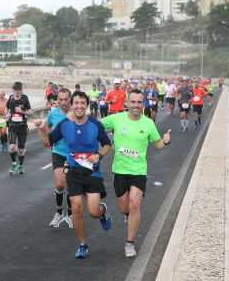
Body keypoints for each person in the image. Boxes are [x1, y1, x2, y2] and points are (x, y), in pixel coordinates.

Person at [37, 91, 112, 259]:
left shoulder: (95, 124)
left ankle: (102, 211)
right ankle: (83, 245)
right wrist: (42, 130)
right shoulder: (64, 125)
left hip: (92, 172)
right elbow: (47, 142)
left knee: (93, 211)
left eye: (82, 103)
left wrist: (99, 155)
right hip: (73, 172)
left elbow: (107, 144)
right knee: (76, 208)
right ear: (72, 105)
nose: (79, 106)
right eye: (76, 103)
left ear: (86, 105)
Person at [102, 89, 171, 258]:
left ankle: (130, 243)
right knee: (124, 206)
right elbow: (94, 126)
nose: (136, 105)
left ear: (143, 104)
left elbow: (158, 145)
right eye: (133, 102)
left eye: (139, 102)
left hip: (138, 171)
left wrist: (166, 141)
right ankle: (126, 215)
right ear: (127, 103)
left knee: (134, 204)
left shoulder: (148, 123)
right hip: (120, 170)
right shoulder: (116, 119)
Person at [40, 88, 73, 228]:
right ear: (57, 100)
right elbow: (46, 133)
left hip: (73, 154)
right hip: (58, 152)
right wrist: (41, 129)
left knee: (70, 186)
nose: (63, 102)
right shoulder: (53, 114)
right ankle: (59, 213)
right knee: (60, 184)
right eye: (61, 100)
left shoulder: (76, 113)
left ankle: (70, 215)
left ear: (70, 99)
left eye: (66, 99)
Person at [7, 81, 33, 175]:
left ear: (22, 90)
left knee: (21, 150)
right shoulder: (10, 98)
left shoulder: (25, 98)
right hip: (12, 126)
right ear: (13, 90)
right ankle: (14, 164)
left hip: (22, 127)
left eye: (19, 91)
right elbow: (9, 110)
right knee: (12, 146)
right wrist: (8, 116)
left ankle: (21, 166)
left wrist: (22, 111)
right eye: (15, 91)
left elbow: (30, 112)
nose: (17, 92)